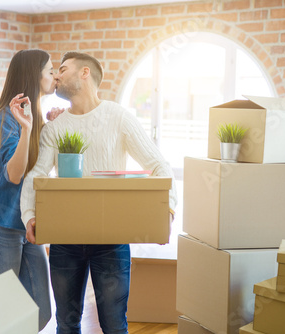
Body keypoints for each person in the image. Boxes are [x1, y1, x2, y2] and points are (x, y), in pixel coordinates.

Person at [20, 52, 177, 334]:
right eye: (54, 71)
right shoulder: (55, 128)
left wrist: (167, 210)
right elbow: (37, 175)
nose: (56, 75)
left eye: (63, 69)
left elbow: (159, 166)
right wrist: (29, 215)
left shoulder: (118, 117)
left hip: (112, 241)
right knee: (66, 324)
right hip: (65, 240)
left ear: (84, 73)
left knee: (114, 325)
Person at [0, 49, 56, 331]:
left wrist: (55, 128)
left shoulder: (37, 120)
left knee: (41, 310)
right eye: (49, 70)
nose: (54, 75)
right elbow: (14, 174)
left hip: (27, 228)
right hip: (0, 226)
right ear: (33, 75)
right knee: (2, 312)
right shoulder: (7, 118)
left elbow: (45, 172)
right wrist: (27, 129)